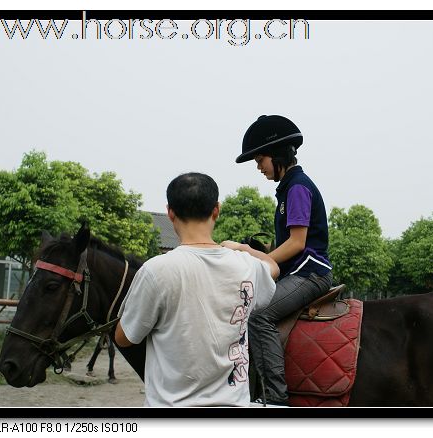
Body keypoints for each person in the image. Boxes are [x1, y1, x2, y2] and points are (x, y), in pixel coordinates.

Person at [114, 172, 279, 407]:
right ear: (216, 210)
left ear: (170, 213)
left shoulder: (156, 270)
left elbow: (124, 337)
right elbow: (272, 266)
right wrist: (241, 247)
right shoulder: (245, 265)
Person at [231, 114, 333, 406]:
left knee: (258, 315)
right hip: (298, 273)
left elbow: (298, 243)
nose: (259, 168)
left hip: (310, 274)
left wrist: (257, 259)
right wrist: (256, 251)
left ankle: (275, 399)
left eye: (259, 161)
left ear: (276, 156)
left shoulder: (297, 187)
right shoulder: (288, 188)